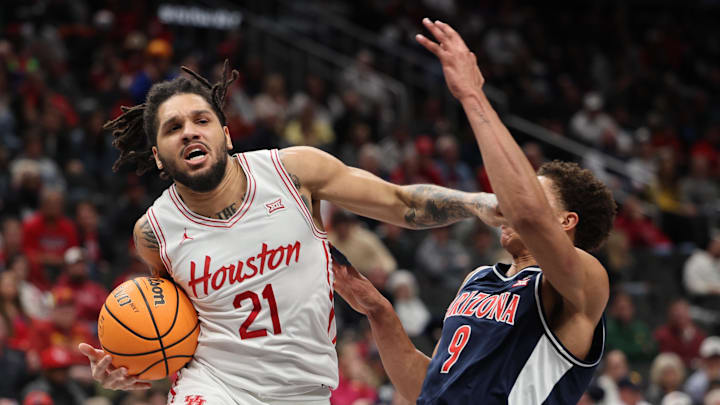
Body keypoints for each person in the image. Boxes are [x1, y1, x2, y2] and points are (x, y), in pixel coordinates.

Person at [78, 60, 505, 404]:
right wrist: (132, 364)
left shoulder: (292, 171)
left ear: (225, 135)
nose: (189, 130)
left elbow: (400, 202)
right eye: (173, 128)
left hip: (306, 389)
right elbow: (167, 329)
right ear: (157, 156)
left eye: (200, 120)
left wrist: (480, 204)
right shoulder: (152, 233)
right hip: (215, 387)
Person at [332, 19, 616, 404]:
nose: (510, 201)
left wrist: (472, 96)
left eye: (531, 192)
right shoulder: (480, 278)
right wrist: (377, 309)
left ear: (566, 222)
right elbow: (427, 389)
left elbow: (529, 215)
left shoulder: (585, 278)